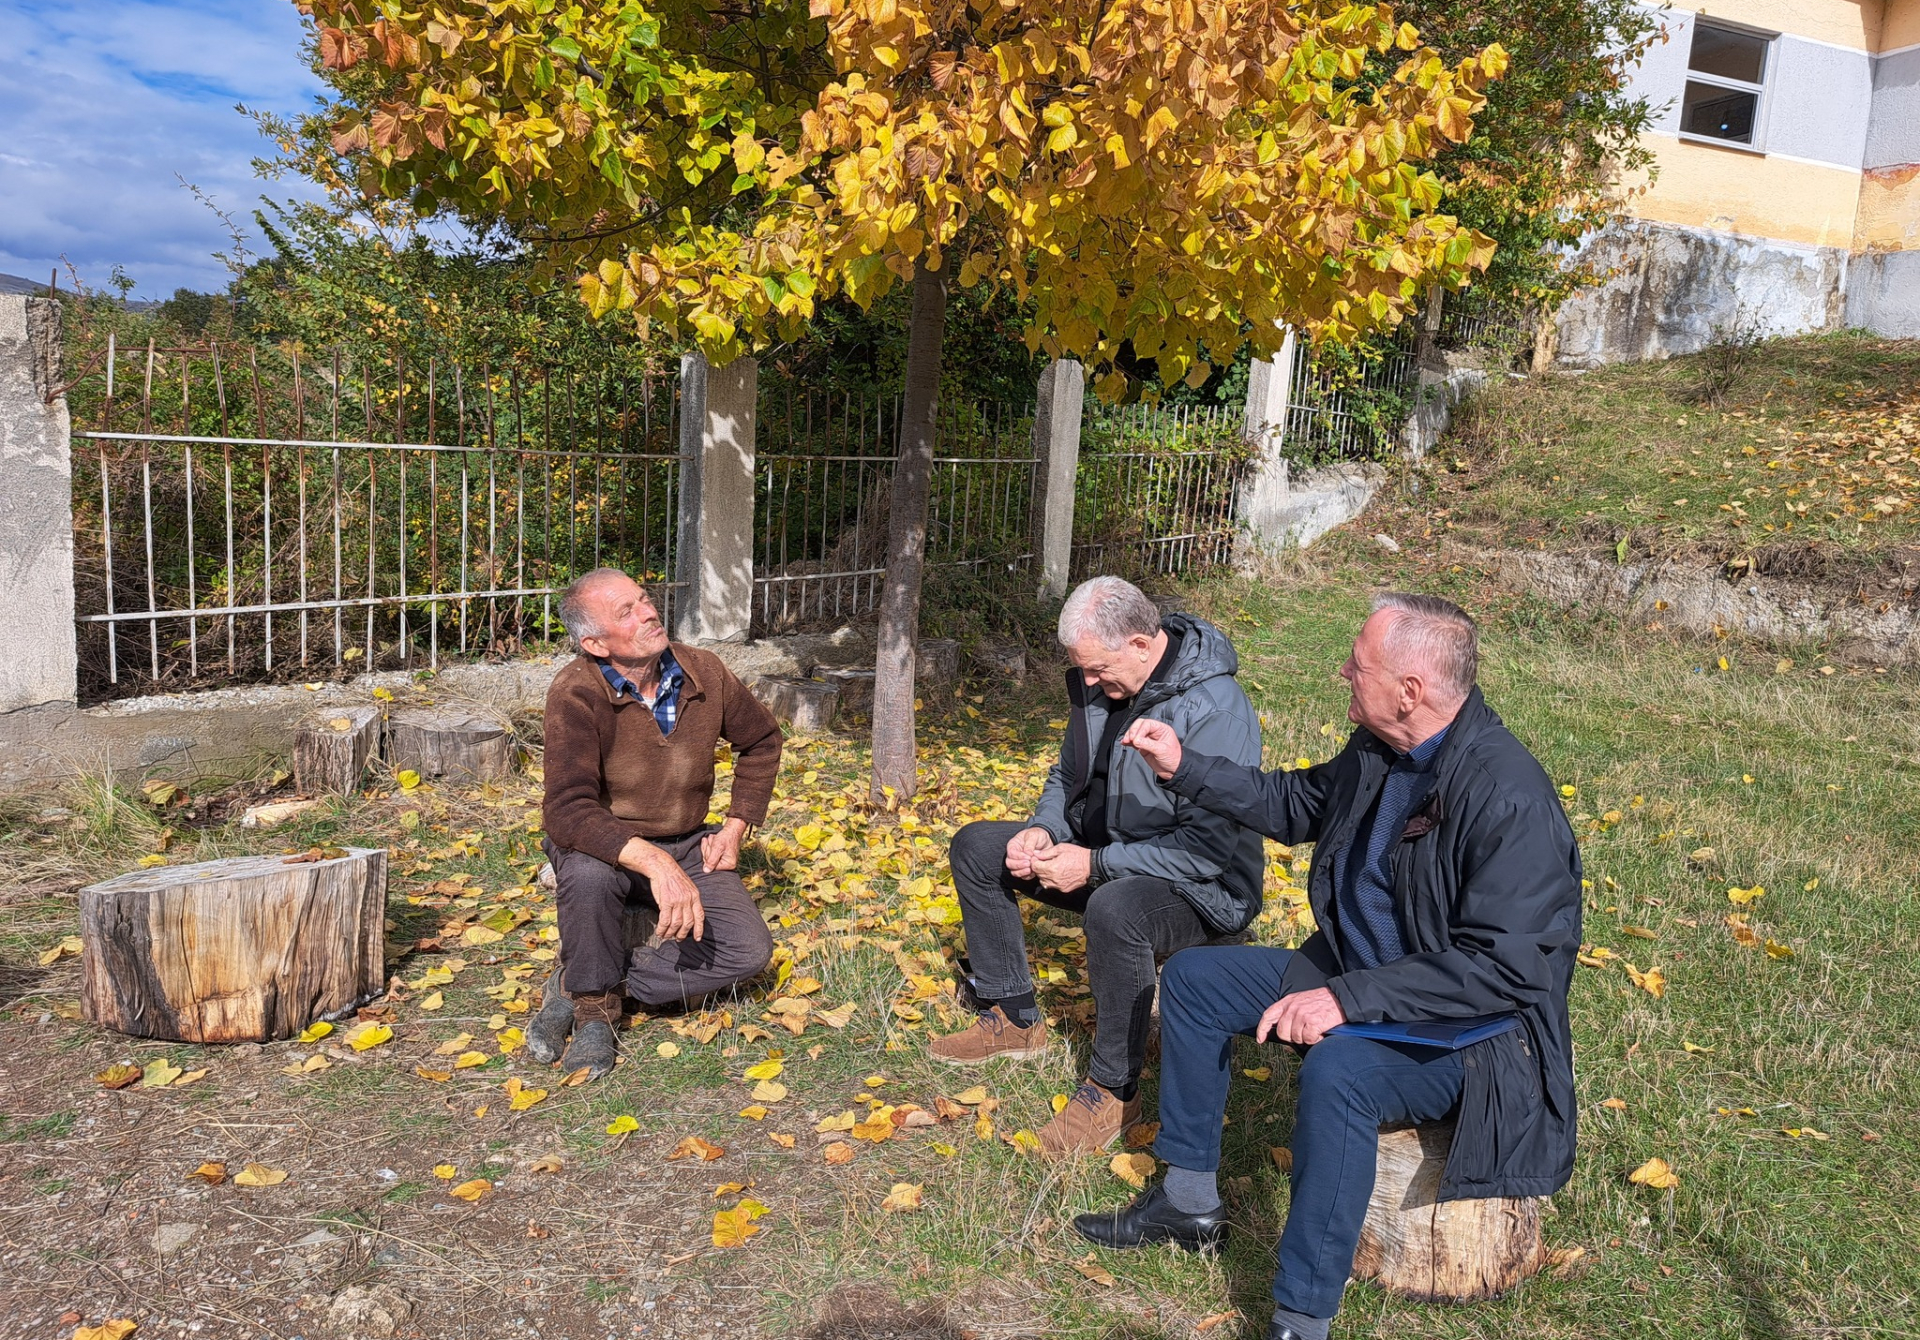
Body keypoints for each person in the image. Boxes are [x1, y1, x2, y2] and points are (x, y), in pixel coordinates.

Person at [1075, 592, 1580, 1340]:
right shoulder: (1385, 751)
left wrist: (1347, 1001)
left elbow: (1507, 971)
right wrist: (1185, 768)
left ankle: (1301, 1318)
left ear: (1411, 690)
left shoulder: (1508, 796)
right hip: (1369, 981)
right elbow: (1299, 800)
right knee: (1195, 981)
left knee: (1340, 1076)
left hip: (1473, 1036)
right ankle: (1187, 1202)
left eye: (1359, 663)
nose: (1343, 670)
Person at [927, 576, 1266, 1155]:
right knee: (977, 847)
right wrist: (1044, 830)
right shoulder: (1106, 682)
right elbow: (1067, 776)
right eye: (1081, 669)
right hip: (1104, 850)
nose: (1086, 682)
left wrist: (1095, 866)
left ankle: (1114, 1089)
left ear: (1140, 644)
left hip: (1202, 887)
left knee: (1116, 909)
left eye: (1095, 668)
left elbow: (1207, 852)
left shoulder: (1216, 709)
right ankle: (1012, 1014)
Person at [527, 568, 782, 1079]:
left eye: (644, 600)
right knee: (589, 875)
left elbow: (761, 741)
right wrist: (654, 860)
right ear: (596, 644)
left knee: (748, 952)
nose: (649, 612)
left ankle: (582, 984)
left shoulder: (703, 671)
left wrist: (735, 826)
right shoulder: (575, 691)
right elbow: (568, 810)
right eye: (627, 611)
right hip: (604, 844)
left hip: (691, 840)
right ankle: (596, 1016)